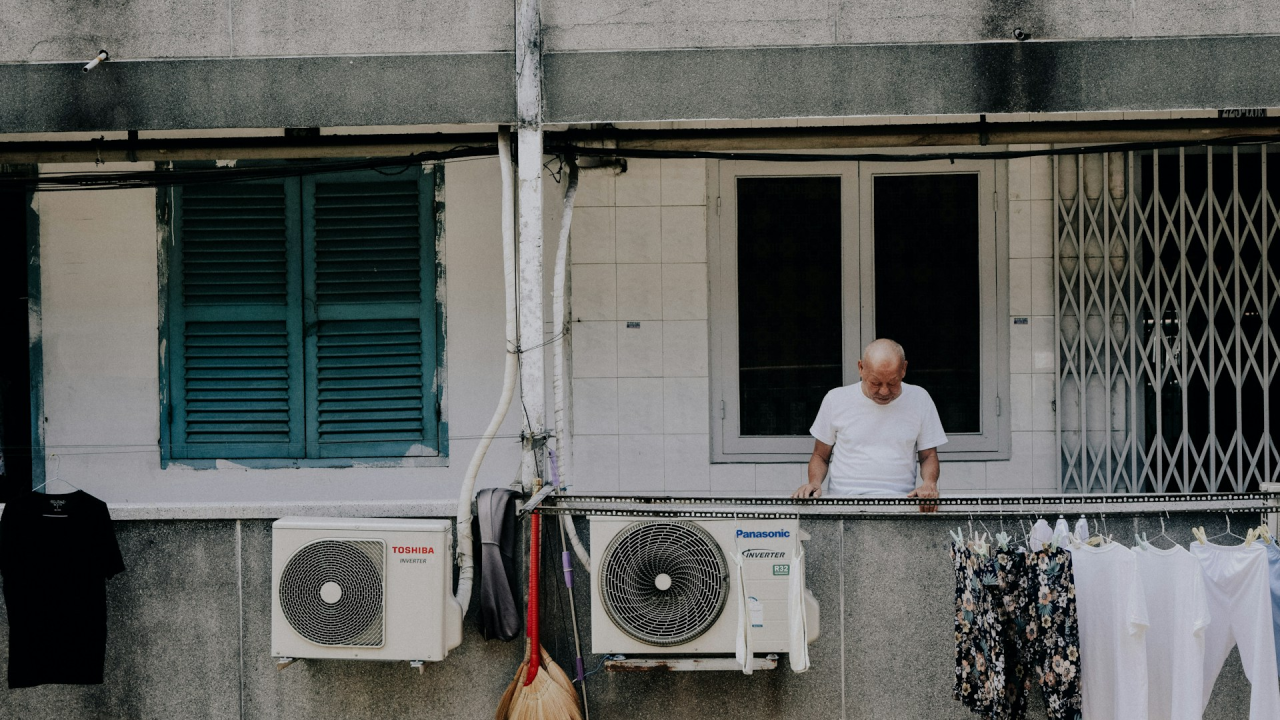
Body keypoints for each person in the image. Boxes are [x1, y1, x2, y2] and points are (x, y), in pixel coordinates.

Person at [791, 339, 946, 511]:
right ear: (861, 368)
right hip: (844, 504)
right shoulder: (835, 399)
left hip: (900, 504)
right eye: (876, 383)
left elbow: (928, 456)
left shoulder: (920, 399)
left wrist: (929, 484)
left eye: (893, 383)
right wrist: (814, 483)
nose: (884, 391)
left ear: (904, 369)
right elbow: (820, 456)